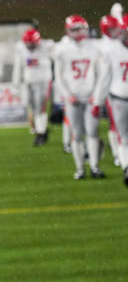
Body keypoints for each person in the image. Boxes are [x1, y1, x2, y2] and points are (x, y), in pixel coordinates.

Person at [54, 15, 107, 180]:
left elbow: (101, 74)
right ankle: (79, 169)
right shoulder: (61, 49)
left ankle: (94, 166)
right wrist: (67, 95)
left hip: (90, 96)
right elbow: (58, 75)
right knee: (76, 134)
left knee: (92, 132)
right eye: (74, 29)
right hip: (73, 98)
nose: (77, 33)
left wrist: (96, 96)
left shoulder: (94, 47)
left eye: (80, 29)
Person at [96, 19, 128, 187]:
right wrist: (98, 101)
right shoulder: (111, 50)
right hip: (118, 97)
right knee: (122, 134)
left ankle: (125, 165)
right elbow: (104, 78)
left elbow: (104, 78)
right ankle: (126, 166)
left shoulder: (112, 50)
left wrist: (97, 102)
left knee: (123, 135)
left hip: (118, 95)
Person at [12, 28, 54, 146]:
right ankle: (41, 131)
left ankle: (40, 133)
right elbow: (17, 67)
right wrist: (15, 85)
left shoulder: (47, 46)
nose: (29, 46)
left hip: (43, 81)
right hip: (29, 81)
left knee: (41, 107)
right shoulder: (20, 48)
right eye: (28, 43)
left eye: (32, 43)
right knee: (33, 108)